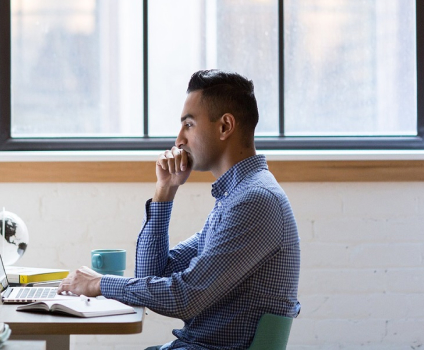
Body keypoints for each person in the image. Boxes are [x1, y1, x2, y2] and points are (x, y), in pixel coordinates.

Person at [59, 69, 301, 349]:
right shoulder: (235, 197)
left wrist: (100, 284)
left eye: (189, 125)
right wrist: (165, 191)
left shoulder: (254, 201)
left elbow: (185, 298)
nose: (178, 140)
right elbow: (152, 275)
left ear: (225, 127)